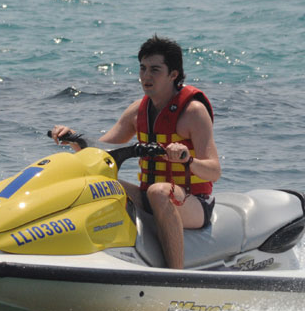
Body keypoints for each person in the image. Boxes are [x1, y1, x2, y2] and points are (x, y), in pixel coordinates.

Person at [51, 35, 220, 269]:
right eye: (142, 68)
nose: (146, 76)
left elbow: (214, 171)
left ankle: (175, 277)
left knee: (159, 191)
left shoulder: (193, 112)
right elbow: (102, 152)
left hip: (193, 202)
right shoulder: (137, 111)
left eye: (155, 70)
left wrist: (187, 159)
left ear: (174, 74)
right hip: (148, 195)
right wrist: (73, 138)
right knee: (97, 183)